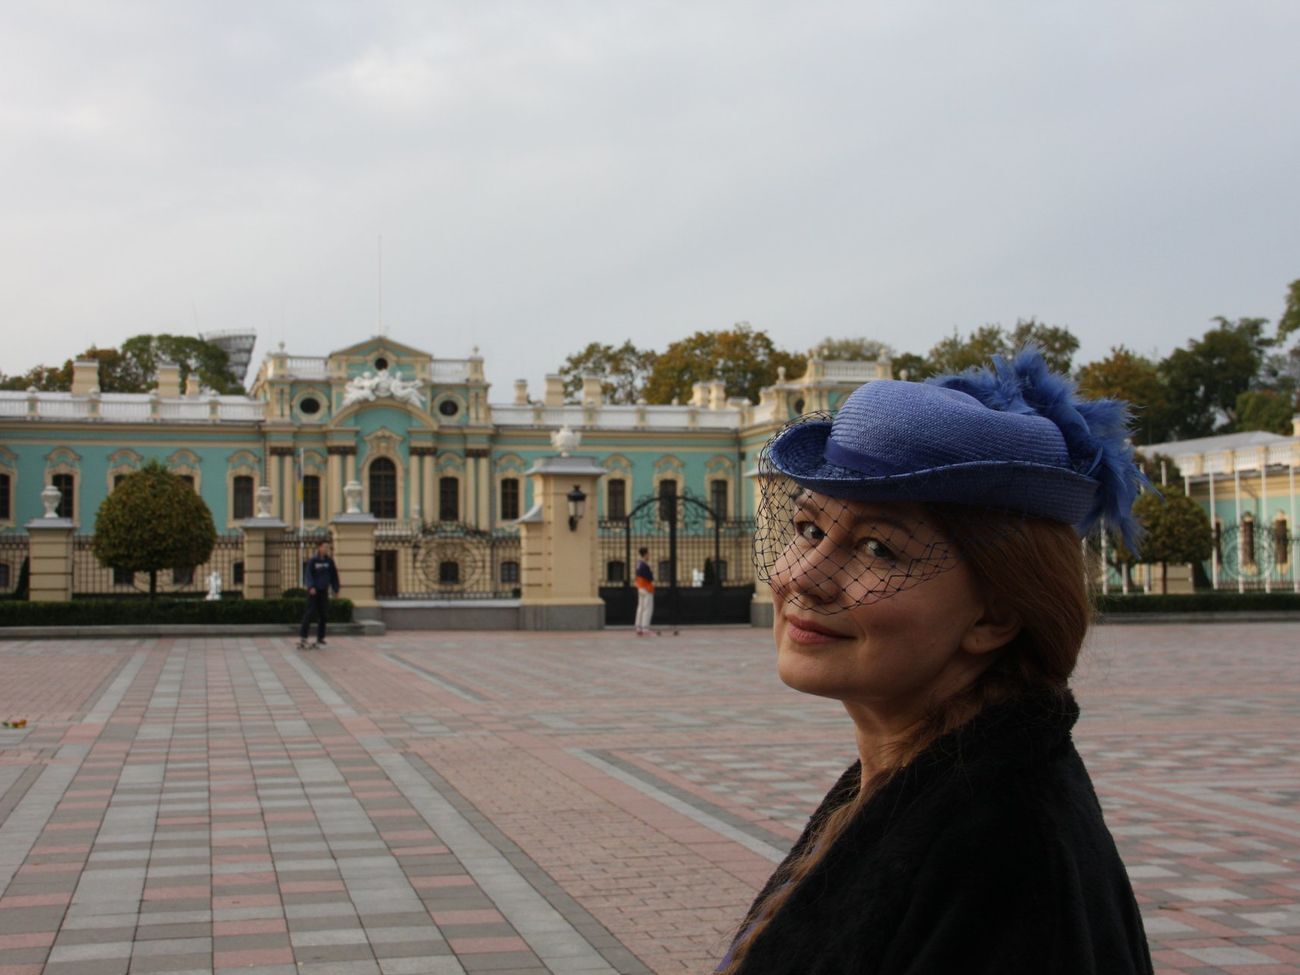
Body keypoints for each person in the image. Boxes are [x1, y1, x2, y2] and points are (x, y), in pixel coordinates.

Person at [719, 349, 1153, 974]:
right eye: (809, 528)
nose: (801, 577)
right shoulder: (925, 779)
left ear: (994, 615)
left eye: (877, 548)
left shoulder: (1002, 853)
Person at [298, 540, 340, 649]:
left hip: (323, 591)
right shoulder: (313, 560)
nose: (326, 549)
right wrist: (311, 586)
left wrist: (336, 588)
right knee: (309, 613)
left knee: (323, 615)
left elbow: (334, 575)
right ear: (319, 547)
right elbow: (308, 575)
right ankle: (303, 637)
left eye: (327, 547)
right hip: (314, 591)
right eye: (324, 547)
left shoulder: (329, 561)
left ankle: (320, 637)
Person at [634, 546, 656, 635]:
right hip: (647, 588)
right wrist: (651, 571)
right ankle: (645, 628)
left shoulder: (638, 564)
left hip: (640, 587)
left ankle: (638, 627)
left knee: (640, 607)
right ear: (645, 554)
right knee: (648, 608)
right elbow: (650, 578)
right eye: (648, 554)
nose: (649, 556)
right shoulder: (645, 565)